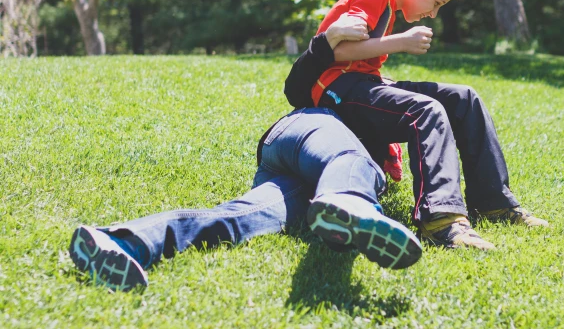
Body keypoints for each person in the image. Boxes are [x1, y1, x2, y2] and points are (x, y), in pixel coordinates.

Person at [68, 20, 422, 292]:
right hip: (309, 131)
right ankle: (351, 202)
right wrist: (329, 41)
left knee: (240, 218)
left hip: (296, 177)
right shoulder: (356, 90)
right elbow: (299, 83)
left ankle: (123, 242)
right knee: (357, 164)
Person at [285, 0, 548, 251]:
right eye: (437, 3)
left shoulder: (386, 3)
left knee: (464, 99)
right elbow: (337, 49)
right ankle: (439, 221)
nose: (434, 14)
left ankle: (494, 202)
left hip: (360, 85)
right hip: (336, 90)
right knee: (426, 110)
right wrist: (402, 41)